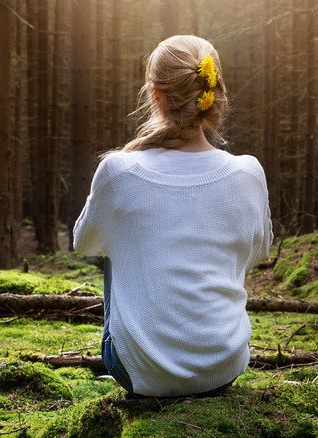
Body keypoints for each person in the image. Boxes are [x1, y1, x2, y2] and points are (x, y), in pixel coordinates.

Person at [73, 35, 272, 398]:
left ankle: (153, 352)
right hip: (224, 368)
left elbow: (84, 243)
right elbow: (258, 253)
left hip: (136, 373)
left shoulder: (117, 170)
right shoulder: (248, 173)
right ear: (215, 92)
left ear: (156, 95)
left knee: (113, 251)